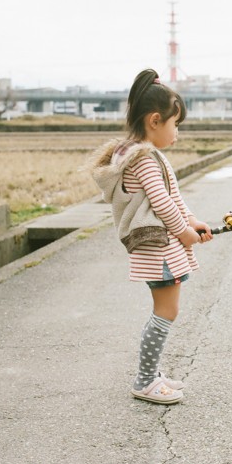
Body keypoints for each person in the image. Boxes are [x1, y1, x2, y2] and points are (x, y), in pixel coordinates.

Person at [92, 68, 212, 404]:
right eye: (176, 125)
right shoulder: (143, 159)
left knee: (166, 310)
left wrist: (193, 220)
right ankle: (145, 380)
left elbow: (174, 197)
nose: (177, 133)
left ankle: (152, 374)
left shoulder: (145, 154)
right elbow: (161, 204)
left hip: (161, 245)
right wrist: (187, 233)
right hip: (157, 248)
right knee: (166, 311)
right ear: (155, 120)